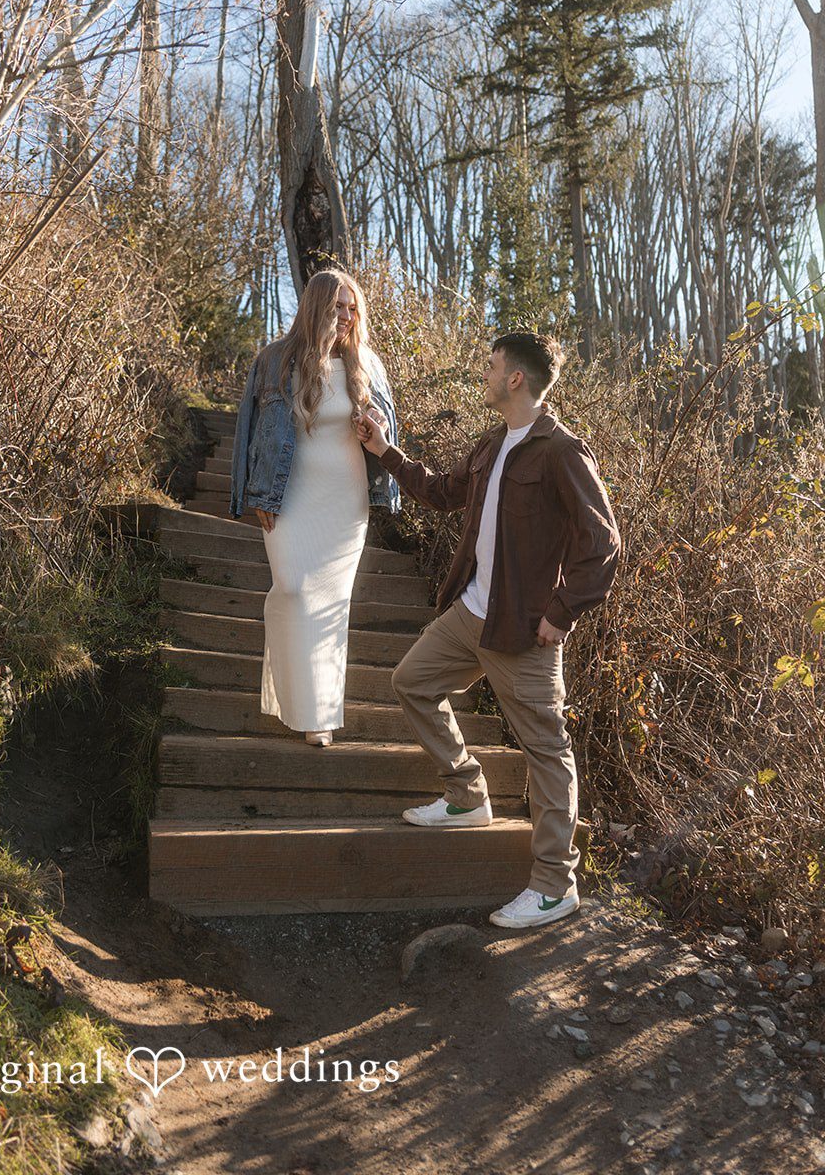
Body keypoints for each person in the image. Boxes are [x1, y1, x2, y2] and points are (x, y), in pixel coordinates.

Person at [356, 331, 620, 930]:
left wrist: (561, 613)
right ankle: (467, 793)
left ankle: (555, 885)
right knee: (411, 681)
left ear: (517, 379)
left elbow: (603, 544)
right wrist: (385, 450)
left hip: (524, 633)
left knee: (547, 754)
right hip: (471, 613)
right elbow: (444, 493)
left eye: (492, 366)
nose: (485, 373)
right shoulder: (495, 442)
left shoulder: (561, 451)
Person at [230, 270, 401, 746]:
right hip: (288, 496)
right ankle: (297, 699)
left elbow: (386, 438)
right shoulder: (274, 360)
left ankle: (318, 715)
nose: (346, 317)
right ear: (314, 308)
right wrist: (252, 494)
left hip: (345, 501)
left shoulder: (369, 364)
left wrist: (377, 430)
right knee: (292, 592)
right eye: (337, 308)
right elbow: (247, 429)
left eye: (353, 308)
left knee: (329, 605)